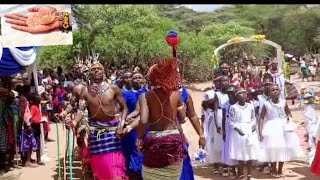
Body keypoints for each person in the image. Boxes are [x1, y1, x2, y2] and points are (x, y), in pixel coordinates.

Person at [67, 62, 128, 180]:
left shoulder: (113, 88)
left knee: (115, 166)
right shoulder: (85, 91)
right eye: (93, 69)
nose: (96, 71)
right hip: (96, 134)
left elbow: (124, 108)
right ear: (90, 73)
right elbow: (81, 110)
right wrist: (74, 122)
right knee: (100, 168)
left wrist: (121, 124)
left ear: (104, 72)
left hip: (113, 132)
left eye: (99, 69)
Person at [137, 58, 187, 180]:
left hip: (154, 141)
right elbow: (182, 118)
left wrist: (139, 138)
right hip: (174, 141)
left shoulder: (145, 96)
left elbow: (143, 121)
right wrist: (182, 108)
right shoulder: (176, 94)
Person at [258, 84, 293, 178]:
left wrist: (289, 119)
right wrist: (260, 131)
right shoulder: (266, 104)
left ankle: (280, 170)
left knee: (282, 148)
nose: (275, 91)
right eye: (272, 90)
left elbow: (288, 112)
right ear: (269, 92)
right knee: (273, 149)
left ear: (280, 91)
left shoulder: (283, 102)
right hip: (272, 128)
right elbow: (261, 118)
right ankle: (273, 169)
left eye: (277, 89)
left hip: (283, 127)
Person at [228, 88, 258, 180]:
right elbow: (231, 121)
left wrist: (253, 126)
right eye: (241, 94)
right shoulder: (233, 107)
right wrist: (238, 129)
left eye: (245, 93)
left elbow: (253, 118)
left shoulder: (250, 106)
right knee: (240, 153)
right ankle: (240, 173)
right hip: (239, 131)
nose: (244, 95)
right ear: (237, 96)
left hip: (249, 129)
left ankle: (249, 174)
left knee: (250, 152)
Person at [178, 84, 206, 180]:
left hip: (177, 136)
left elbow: (192, 115)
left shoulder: (184, 93)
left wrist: (201, 135)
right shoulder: (153, 93)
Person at [212, 76, 230, 174]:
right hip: (219, 117)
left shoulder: (232, 93)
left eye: (227, 80)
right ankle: (217, 164)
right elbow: (215, 110)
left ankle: (226, 165)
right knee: (219, 142)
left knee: (227, 142)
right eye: (223, 80)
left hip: (228, 117)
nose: (225, 82)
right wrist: (216, 124)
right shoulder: (217, 94)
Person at [221, 85, 238, 178]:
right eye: (228, 94)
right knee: (229, 147)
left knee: (237, 147)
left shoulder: (239, 104)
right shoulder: (225, 104)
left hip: (238, 126)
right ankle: (231, 168)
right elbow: (224, 118)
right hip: (228, 128)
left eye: (232, 93)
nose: (230, 96)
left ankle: (238, 168)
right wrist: (223, 131)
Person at [28, 94, 45, 165]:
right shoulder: (33, 107)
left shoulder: (37, 107)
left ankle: (39, 159)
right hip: (34, 127)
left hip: (37, 126)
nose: (40, 100)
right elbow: (30, 118)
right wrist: (38, 121)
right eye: (39, 99)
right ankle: (28, 160)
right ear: (35, 100)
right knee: (31, 143)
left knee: (38, 143)